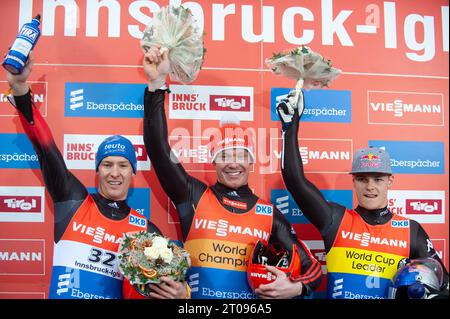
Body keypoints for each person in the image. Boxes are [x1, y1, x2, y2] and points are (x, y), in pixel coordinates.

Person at [141, 46, 322, 299]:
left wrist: (298, 287)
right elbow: (159, 150)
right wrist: (157, 84)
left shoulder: (267, 214)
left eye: (241, 155)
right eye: (224, 155)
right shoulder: (192, 194)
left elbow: (312, 268)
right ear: (214, 162)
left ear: (251, 163)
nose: (233, 163)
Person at [4, 53, 189, 299]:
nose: (114, 173)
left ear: (132, 171)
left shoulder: (145, 231)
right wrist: (19, 87)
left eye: (123, 165)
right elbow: (44, 147)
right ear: (97, 169)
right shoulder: (73, 202)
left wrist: (183, 294)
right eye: (107, 164)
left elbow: (169, 287)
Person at [276, 89, 449, 299]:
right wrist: (290, 127)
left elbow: (444, 285)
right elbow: (295, 182)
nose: (370, 186)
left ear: (390, 181)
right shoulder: (335, 219)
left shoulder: (410, 231)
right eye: (362, 179)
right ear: (354, 182)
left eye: (378, 179)